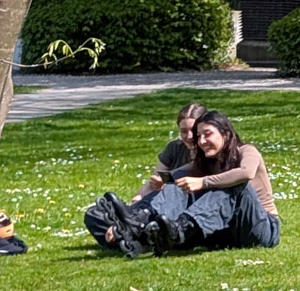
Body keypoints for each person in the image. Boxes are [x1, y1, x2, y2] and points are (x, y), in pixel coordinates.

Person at [108, 110, 279, 255]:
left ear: (225, 134)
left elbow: (246, 173)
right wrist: (159, 184)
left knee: (234, 183)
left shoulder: (247, 151)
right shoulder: (205, 162)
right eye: (199, 136)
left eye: (208, 134)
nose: (202, 141)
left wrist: (203, 182)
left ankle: (180, 229)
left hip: (261, 228)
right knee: (179, 183)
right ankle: (139, 224)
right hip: (227, 232)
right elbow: (173, 176)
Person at [83, 102, 207, 249]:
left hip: (174, 208)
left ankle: (129, 234)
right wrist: (139, 197)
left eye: (193, 131)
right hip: (152, 203)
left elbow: (184, 176)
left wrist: (165, 183)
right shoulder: (174, 148)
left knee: (166, 199)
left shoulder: (207, 151)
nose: (189, 136)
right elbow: (155, 180)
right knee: (94, 215)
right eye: (183, 131)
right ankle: (132, 236)